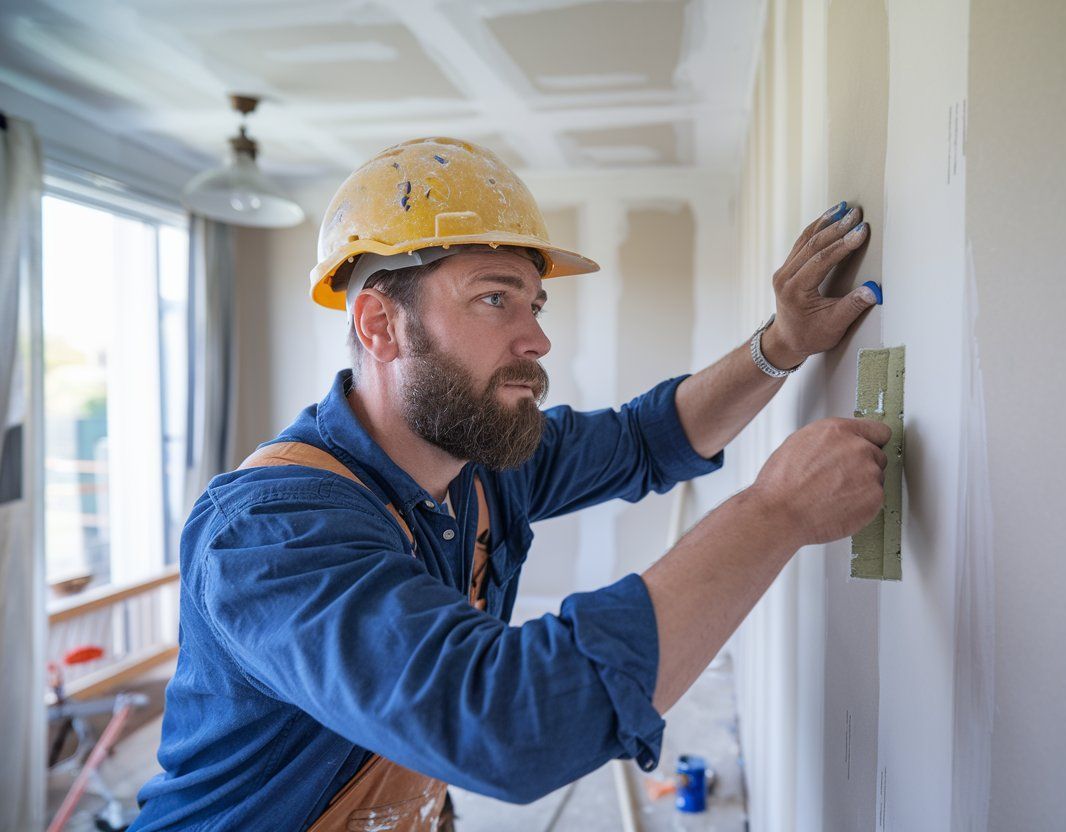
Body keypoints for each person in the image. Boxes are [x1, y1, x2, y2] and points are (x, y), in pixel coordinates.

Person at [131, 138, 889, 831]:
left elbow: (645, 439)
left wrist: (782, 345)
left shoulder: (481, 463)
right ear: (379, 326)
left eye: (534, 303)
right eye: (495, 298)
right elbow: (506, 725)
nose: (537, 338)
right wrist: (776, 513)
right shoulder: (269, 529)